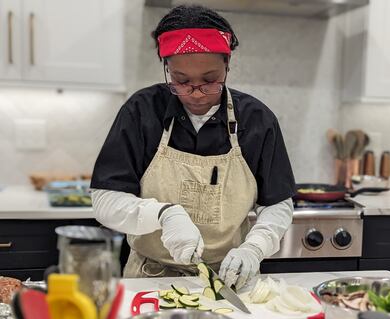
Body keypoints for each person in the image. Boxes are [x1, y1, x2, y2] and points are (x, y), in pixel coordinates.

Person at [90, 5, 295, 289]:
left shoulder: (257, 120)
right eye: (181, 81)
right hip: (150, 279)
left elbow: (277, 204)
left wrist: (255, 248)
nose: (196, 93)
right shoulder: (142, 111)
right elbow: (104, 200)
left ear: (228, 65)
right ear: (167, 69)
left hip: (228, 279)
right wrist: (162, 215)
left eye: (210, 81)